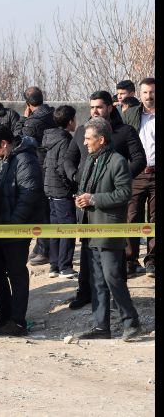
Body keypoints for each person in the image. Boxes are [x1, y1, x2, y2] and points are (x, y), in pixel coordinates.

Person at [65, 91, 146, 308]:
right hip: (86, 203)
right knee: (87, 252)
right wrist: (76, 176)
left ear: (110, 107)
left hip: (110, 204)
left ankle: (119, 301)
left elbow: (139, 159)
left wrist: (120, 179)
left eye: (99, 107)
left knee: (113, 256)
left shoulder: (125, 132)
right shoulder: (82, 131)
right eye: (92, 107)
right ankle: (85, 294)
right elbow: (69, 158)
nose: (94, 111)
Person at [74, 117, 142, 342]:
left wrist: (93, 198)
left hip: (108, 228)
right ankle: (101, 327)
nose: (84, 143)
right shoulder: (92, 161)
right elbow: (88, 190)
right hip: (90, 229)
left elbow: (124, 194)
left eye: (88, 138)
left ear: (101, 140)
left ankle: (131, 322)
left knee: (113, 276)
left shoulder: (117, 161)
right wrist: (82, 200)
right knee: (97, 280)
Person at [0, 124, 43, 336]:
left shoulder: (25, 160)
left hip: (15, 229)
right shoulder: (3, 160)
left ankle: (17, 321)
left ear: (4, 144)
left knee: (16, 273)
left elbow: (29, 195)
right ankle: (4, 315)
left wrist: (13, 225)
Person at [13, 87, 55, 267]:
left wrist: (23, 118)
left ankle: (44, 249)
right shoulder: (52, 114)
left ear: (28, 103)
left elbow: (19, 140)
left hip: (40, 168)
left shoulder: (33, 122)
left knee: (42, 210)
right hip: (51, 166)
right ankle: (42, 247)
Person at [122, 77, 155, 277]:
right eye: (145, 92)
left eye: (152, 92)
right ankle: (130, 259)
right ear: (139, 94)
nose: (149, 96)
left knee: (154, 219)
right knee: (132, 217)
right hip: (136, 174)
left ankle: (152, 260)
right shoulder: (131, 115)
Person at [42, 105, 79, 278]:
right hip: (61, 191)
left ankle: (54, 266)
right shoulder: (65, 140)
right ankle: (65, 266)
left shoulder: (50, 137)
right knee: (67, 228)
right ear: (70, 121)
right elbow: (62, 168)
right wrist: (71, 187)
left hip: (50, 189)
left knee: (56, 228)